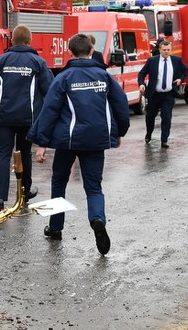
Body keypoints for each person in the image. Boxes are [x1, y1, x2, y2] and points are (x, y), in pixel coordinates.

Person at [28, 33, 129, 255]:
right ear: (92, 51)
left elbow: (49, 111)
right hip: (96, 141)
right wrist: (119, 132)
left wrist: (41, 142)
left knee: (59, 183)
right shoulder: (104, 76)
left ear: (69, 52)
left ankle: (55, 228)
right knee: (94, 187)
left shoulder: (63, 77)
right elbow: (121, 105)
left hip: (67, 141)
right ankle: (97, 219)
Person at [0, 24, 51, 213]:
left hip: (4, 117)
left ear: (12, 40)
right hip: (29, 117)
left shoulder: (1, 60)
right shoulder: (38, 62)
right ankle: (25, 192)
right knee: (24, 153)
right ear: (30, 40)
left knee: (2, 155)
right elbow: (50, 89)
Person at [137, 40, 187, 148]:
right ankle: (149, 134)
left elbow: (185, 70)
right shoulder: (152, 61)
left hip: (168, 94)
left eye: (168, 50)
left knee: (166, 117)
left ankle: (164, 140)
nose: (166, 52)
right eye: (164, 50)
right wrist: (141, 84)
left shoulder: (176, 60)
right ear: (160, 50)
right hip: (154, 94)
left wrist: (180, 79)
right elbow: (142, 73)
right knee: (150, 116)